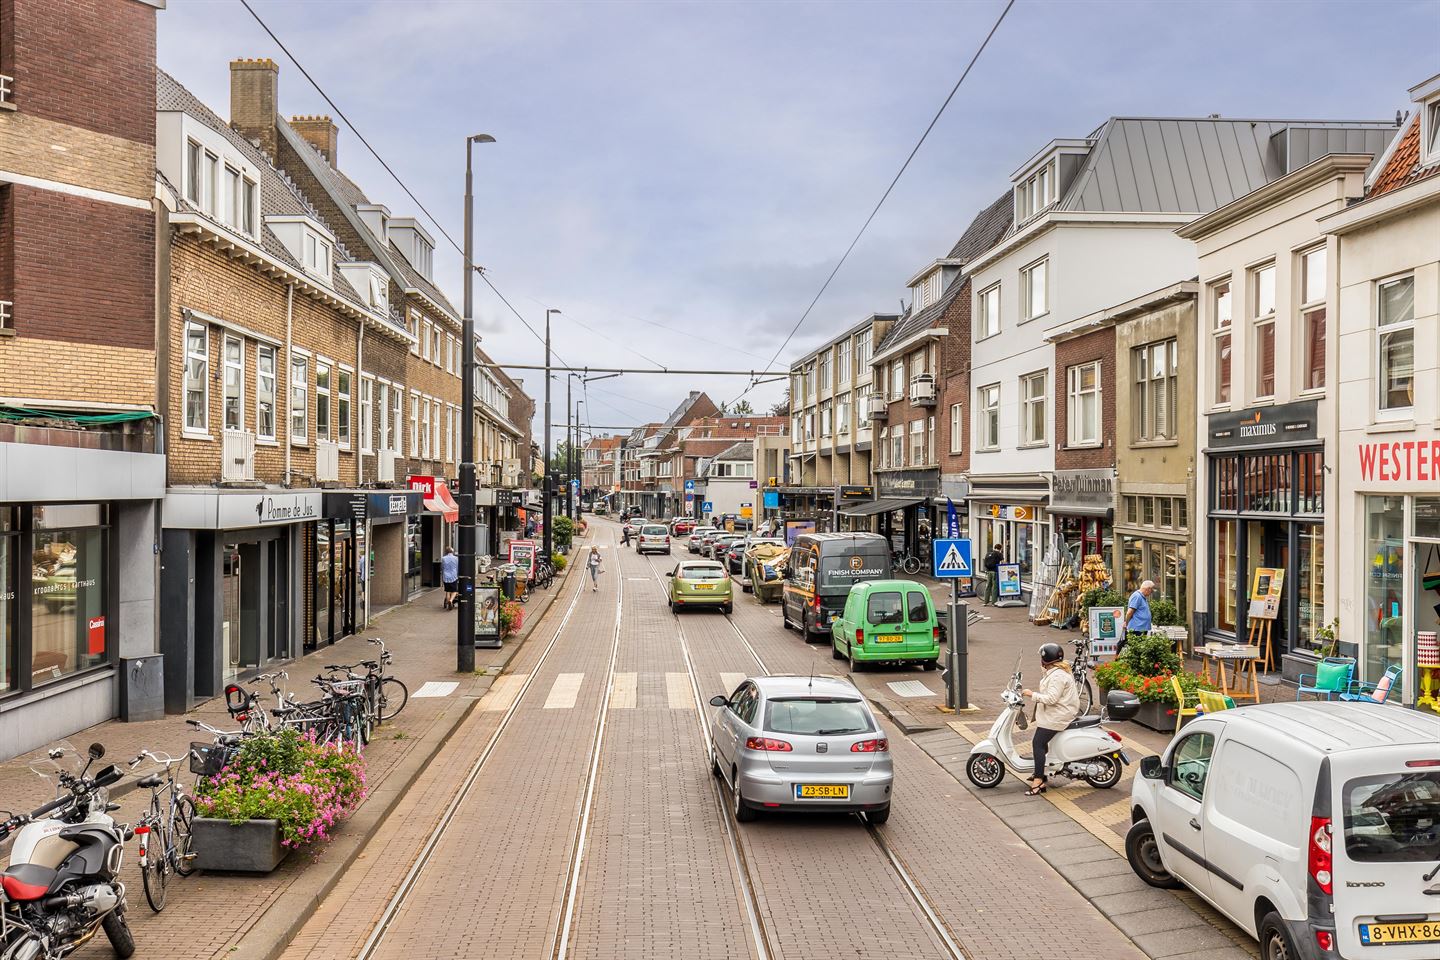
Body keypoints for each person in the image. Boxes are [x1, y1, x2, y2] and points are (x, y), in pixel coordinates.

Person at [1021, 642, 1080, 795]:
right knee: (1042, 744)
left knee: (1038, 743)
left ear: (1045, 659)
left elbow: (1052, 698)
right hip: (1056, 713)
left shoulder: (1058, 676)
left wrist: (1030, 694)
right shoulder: (1056, 670)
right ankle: (1040, 772)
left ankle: (1038, 781)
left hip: (1058, 715)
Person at [1118, 580, 1155, 654]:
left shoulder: (1142, 597)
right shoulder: (1137, 596)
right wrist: (1126, 623)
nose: (1151, 593)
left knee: (1137, 648)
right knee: (1133, 646)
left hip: (1141, 627)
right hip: (1137, 628)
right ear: (1148, 589)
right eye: (1151, 590)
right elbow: (1129, 612)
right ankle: (1116, 658)